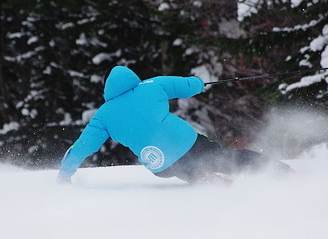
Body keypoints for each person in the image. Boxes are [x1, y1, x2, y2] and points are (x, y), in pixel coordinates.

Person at [58, 65, 288, 184]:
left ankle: (208, 182)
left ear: (107, 88)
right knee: (227, 158)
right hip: (188, 143)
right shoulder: (151, 85)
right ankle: (282, 173)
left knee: (188, 170)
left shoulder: (102, 116)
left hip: (161, 164)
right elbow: (190, 86)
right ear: (131, 76)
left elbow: (80, 148)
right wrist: (200, 83)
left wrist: (65, 175)